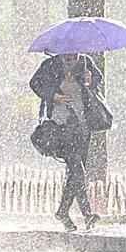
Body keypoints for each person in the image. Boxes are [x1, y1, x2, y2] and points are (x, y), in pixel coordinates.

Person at [30, 53, 103, 232]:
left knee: (75, 172)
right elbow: (35, 83)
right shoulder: (51, 64)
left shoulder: (86, 63)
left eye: (76, 52)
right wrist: (53, 96)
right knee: (77, 169)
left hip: (82, 126)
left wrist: (90, 80)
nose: (73, 56)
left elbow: (96, 83)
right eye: (69, 52)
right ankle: (87, 214)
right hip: (60, 126)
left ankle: (63, 211)